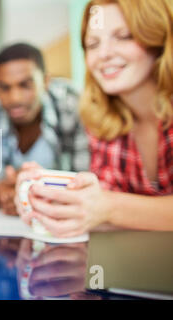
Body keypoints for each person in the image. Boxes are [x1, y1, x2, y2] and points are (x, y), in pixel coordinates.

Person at [15, 0, 173, 237]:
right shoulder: (102, 122)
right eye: (92, 44)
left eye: (124, 36)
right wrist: (47, 196)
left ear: (159, 40)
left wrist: (108, 207)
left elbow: (108, 207)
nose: (104, 54)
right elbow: (100, 209)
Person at [0, 43, 89, 215]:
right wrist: (1, 193)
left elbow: (87, 179)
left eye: (25, 85)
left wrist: (40, 192)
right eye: (4, 87)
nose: (15, 98)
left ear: (46, 81)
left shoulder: (72, 103)